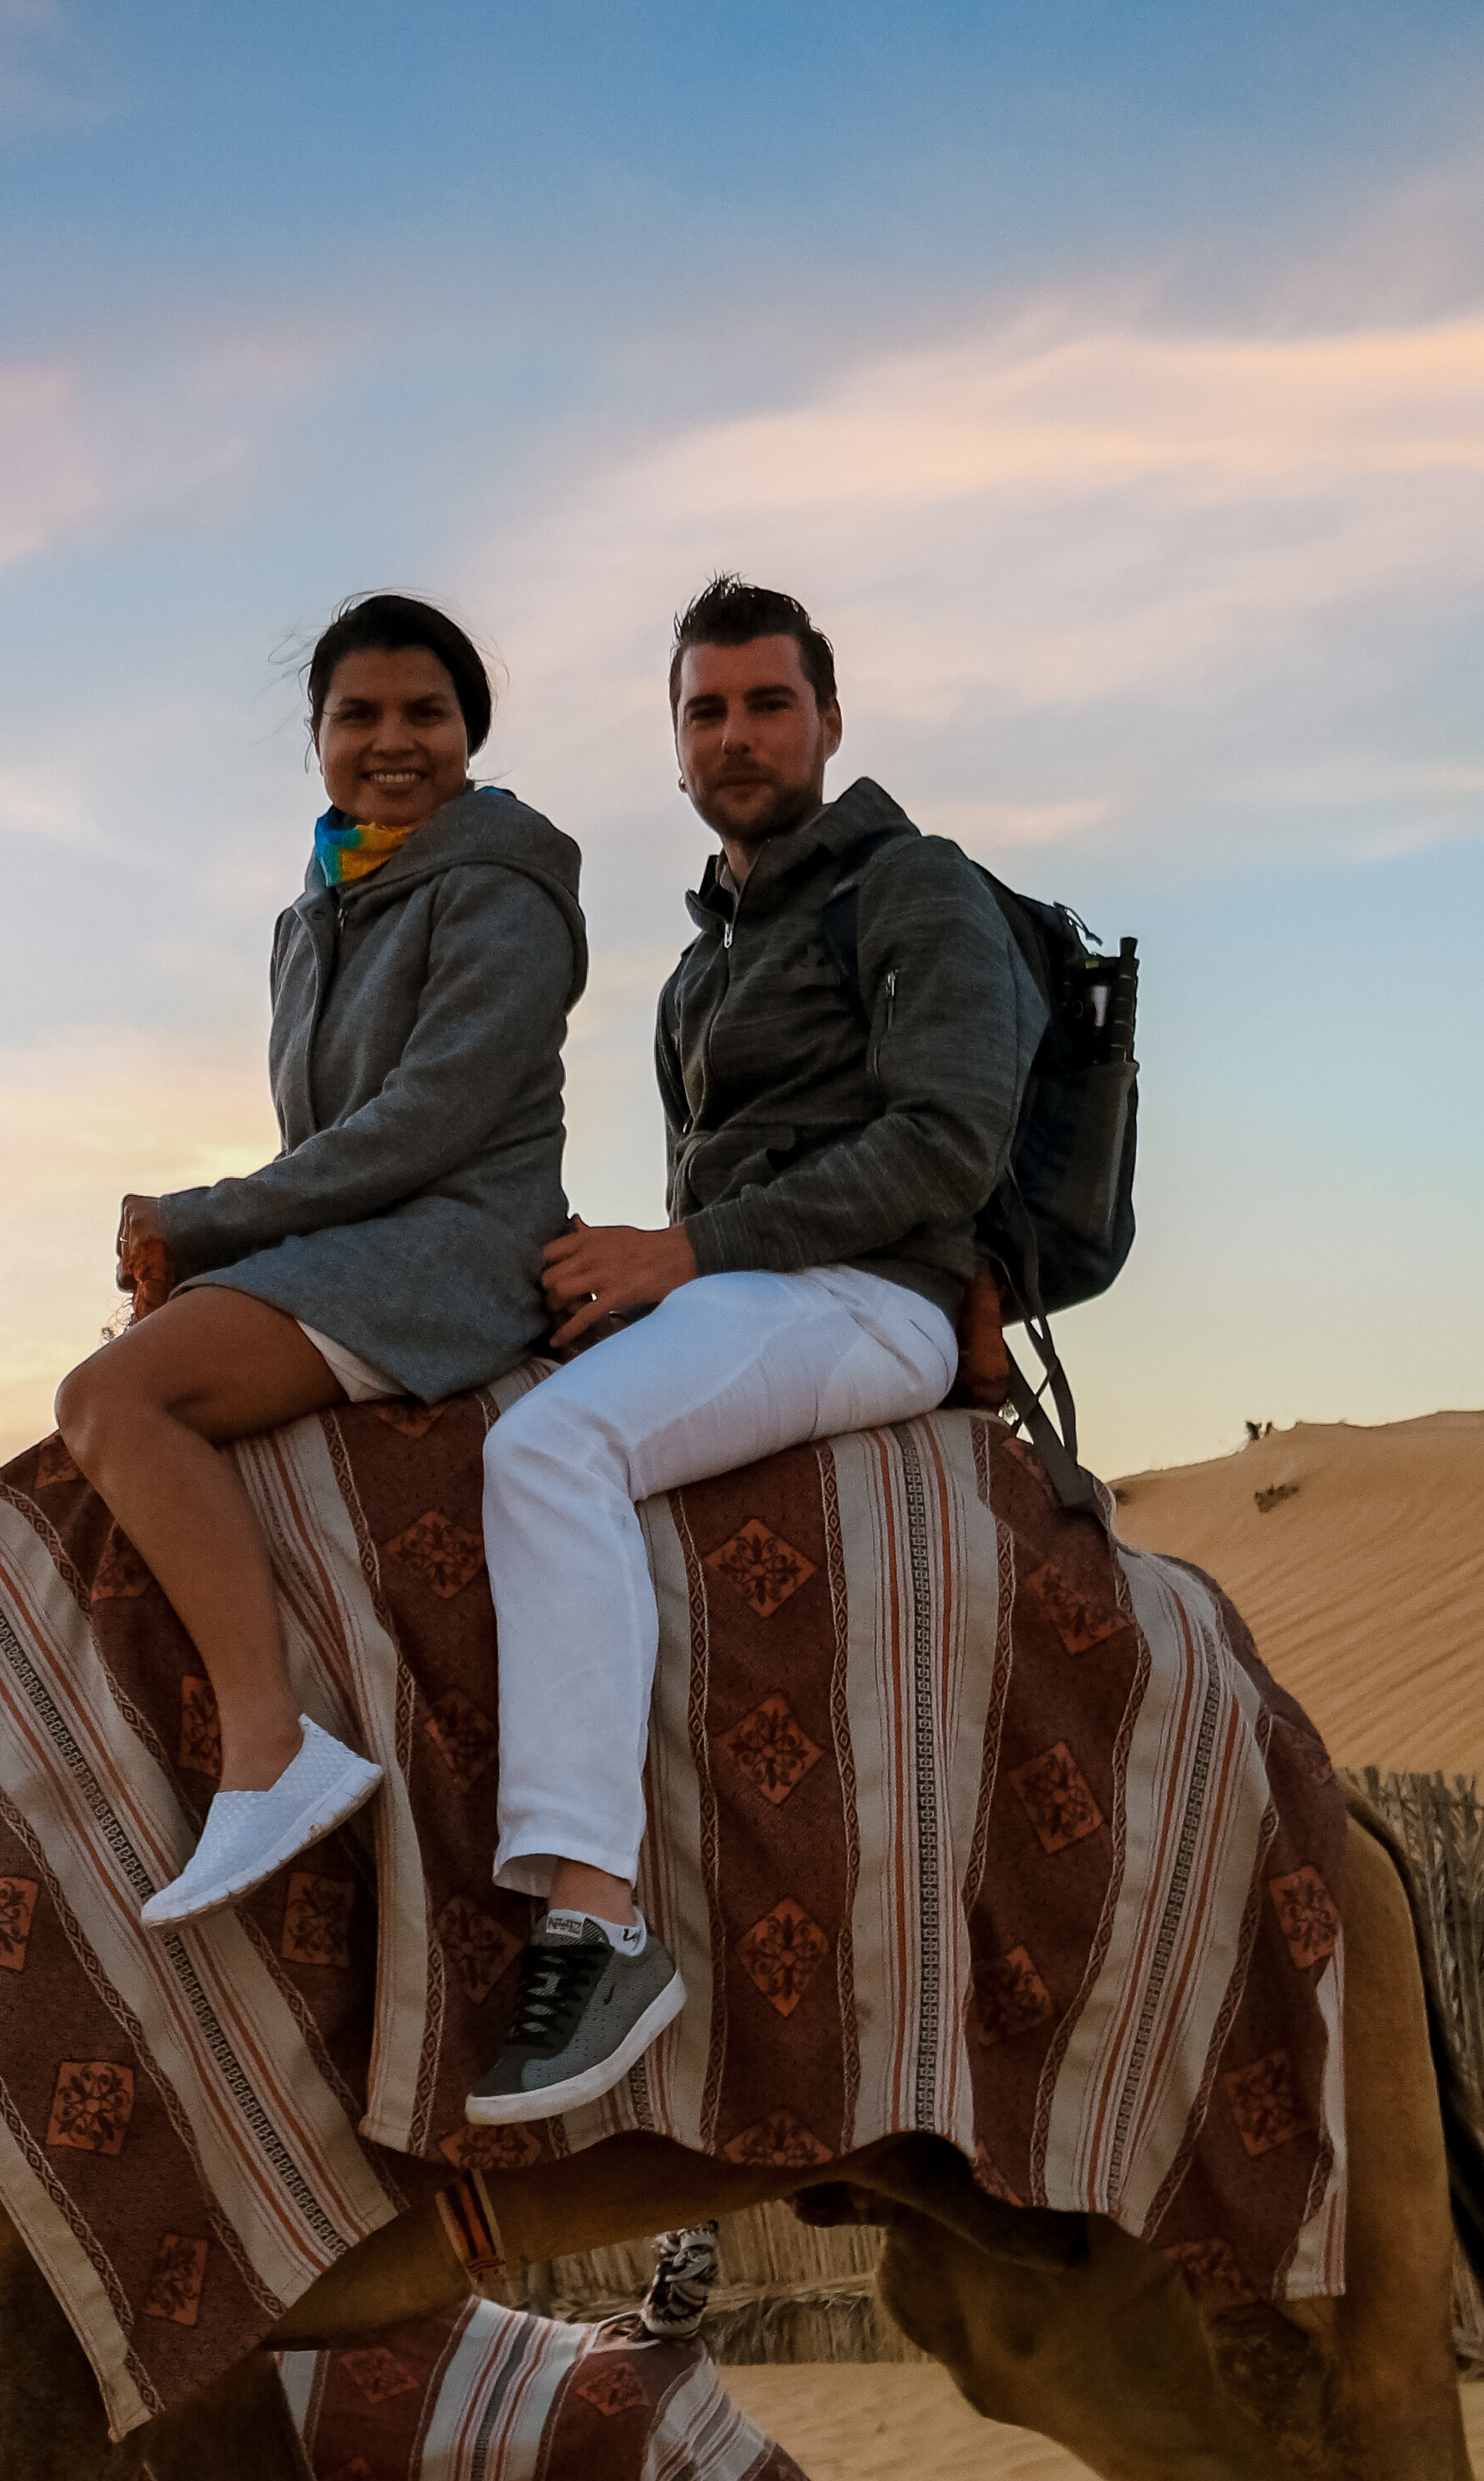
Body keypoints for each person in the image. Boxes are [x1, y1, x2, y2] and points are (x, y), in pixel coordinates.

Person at [463, 575, 1043, 2125]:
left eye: (767, 702)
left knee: (552, 1448)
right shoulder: (693, 973)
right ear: (673, 741)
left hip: (873, 1299)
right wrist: (638, 1274)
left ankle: (600, 1921)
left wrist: (688, 1256)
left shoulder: (915, 888)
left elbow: (947, 1142)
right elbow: (698, 1208)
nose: (737, 734)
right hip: (754, 1297)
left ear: (829, 721)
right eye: (705, 709)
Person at [60, 594, 589, 1928]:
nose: (393, 741)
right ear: (318, 740)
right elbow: (331, 1138)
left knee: (115, 1399)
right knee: (136, 1368)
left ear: (471, 734)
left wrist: (210, 1219)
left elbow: (428, 1123)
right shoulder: (315, 917)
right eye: (360, 715)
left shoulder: (503, 890)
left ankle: (271, 1742)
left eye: (428, 713)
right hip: (366, 1234)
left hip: (458, 1245)